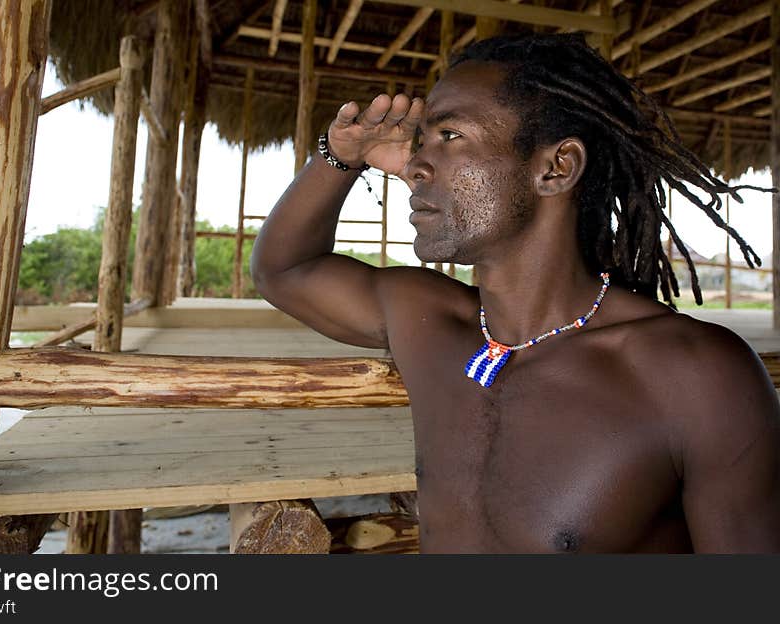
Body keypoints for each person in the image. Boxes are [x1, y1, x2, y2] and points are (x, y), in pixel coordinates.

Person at [249, 34, 780, 553]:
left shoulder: (695, 375)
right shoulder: (431, 324)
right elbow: (283, 269)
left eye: (451, 136)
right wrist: (342, 154)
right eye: (421, 142)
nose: (413, 167)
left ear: (555, 167)